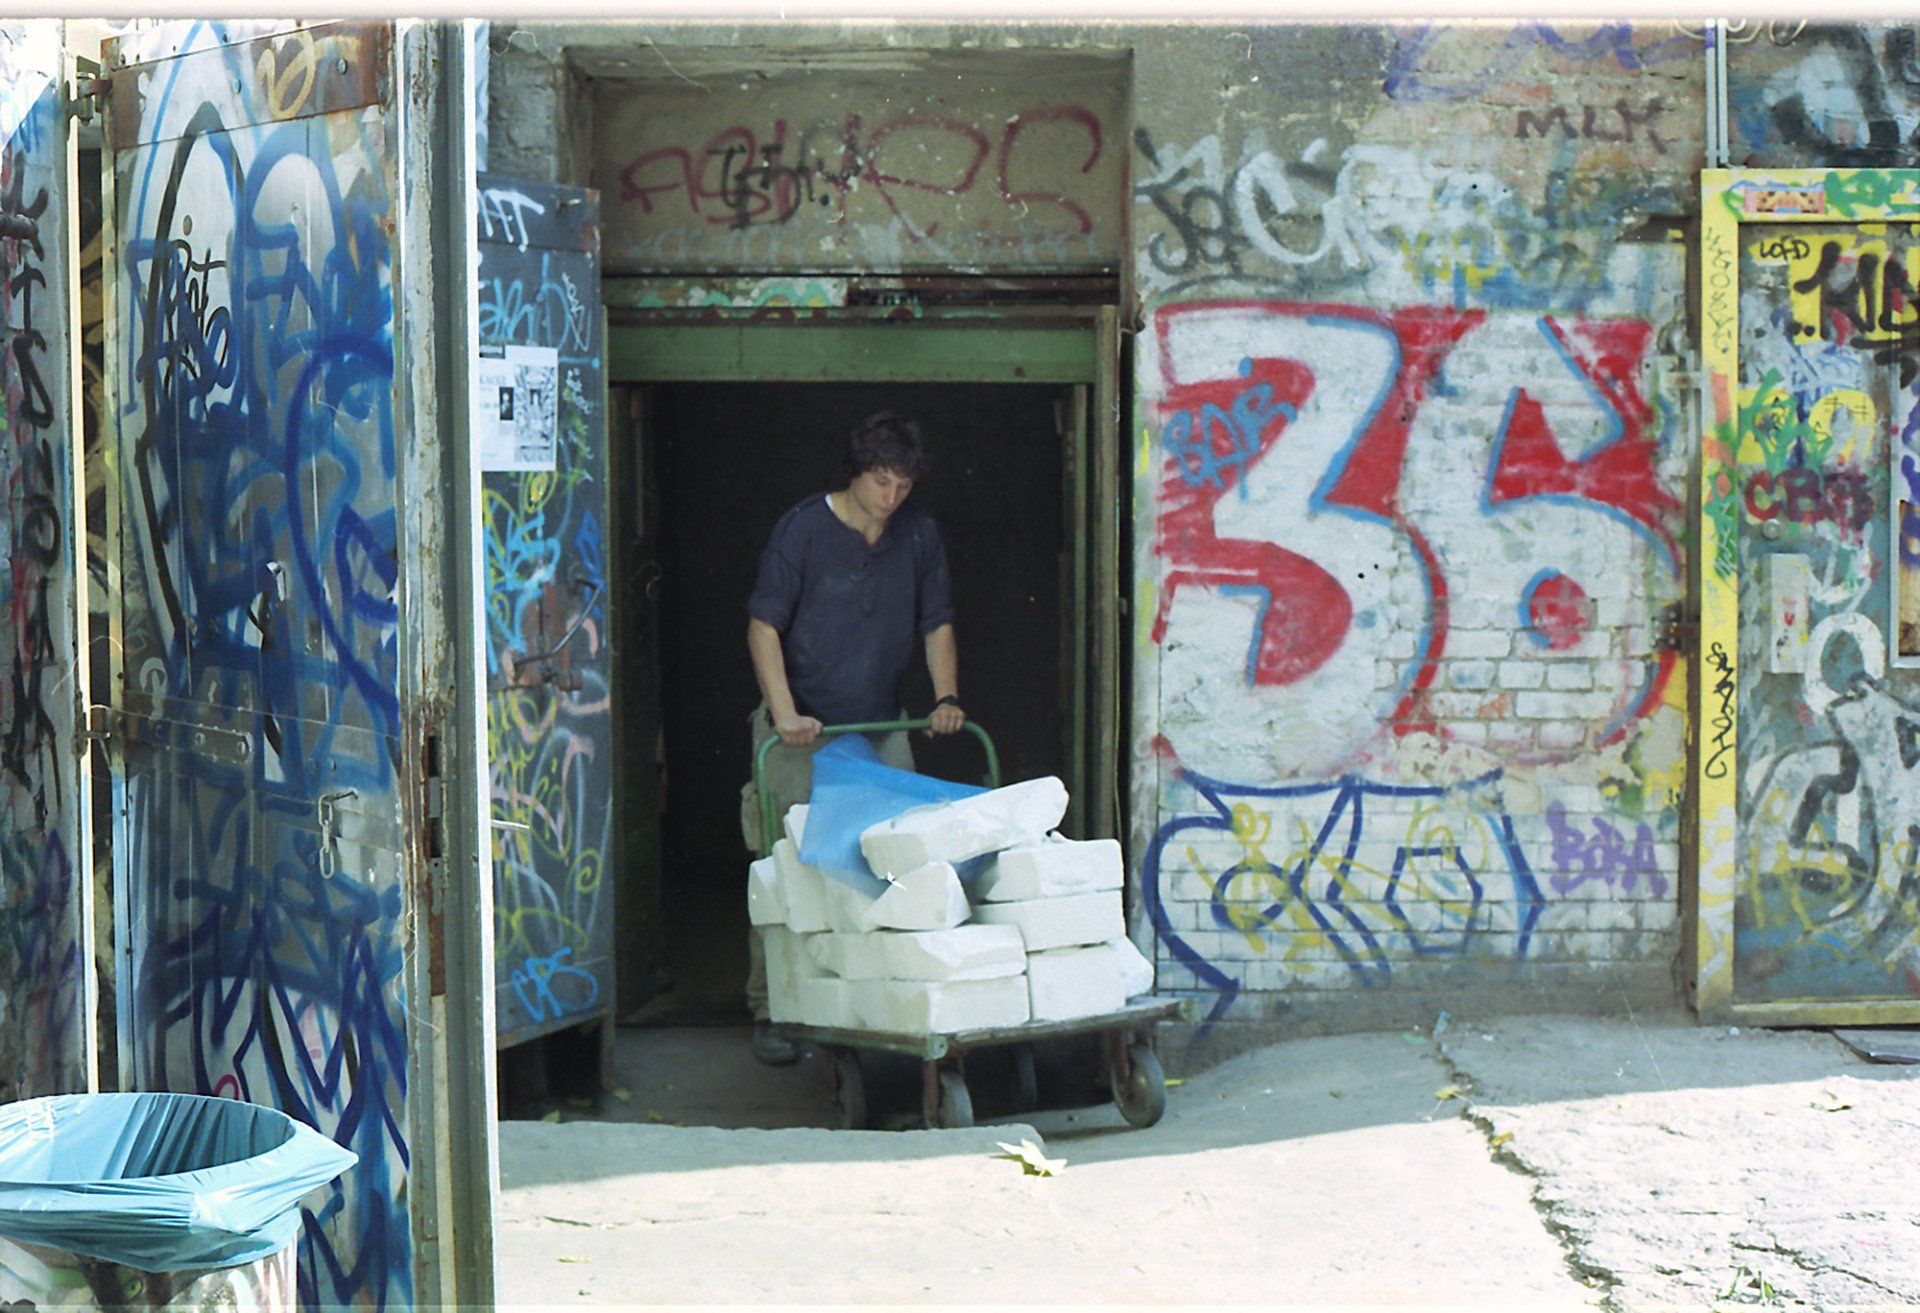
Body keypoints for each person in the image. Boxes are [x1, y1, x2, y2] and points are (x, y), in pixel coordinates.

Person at [741, 411, 966, 1064]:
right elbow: (763, 626)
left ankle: (883, 1006)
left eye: (903, 485)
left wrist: (946, 697)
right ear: (856, 473)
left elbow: (937, 622)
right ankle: (773, 1007)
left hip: (880, 723)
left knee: (897, 863)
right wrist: (784, 713)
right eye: (880, 482)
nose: (890, 498)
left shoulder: (917, 535)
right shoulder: (803, 530)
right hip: (801, 730)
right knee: (785, 866)